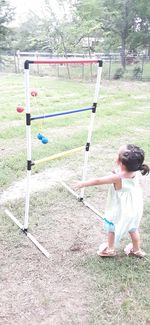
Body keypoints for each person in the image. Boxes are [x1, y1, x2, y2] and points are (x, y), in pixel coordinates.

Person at [74, 144, 149, 258]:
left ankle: (110, 250)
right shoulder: (136, 171)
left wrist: (82, 184)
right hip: (134, 208)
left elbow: (98, 180)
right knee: (133, 229)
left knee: (112, 228)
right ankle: (137, 250)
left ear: (120, 162)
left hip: (121, 210)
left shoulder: (117, 178)